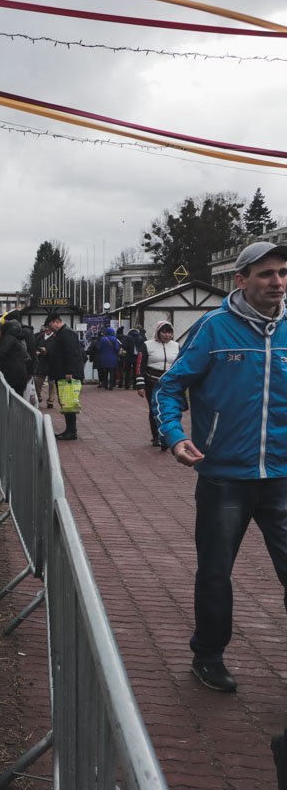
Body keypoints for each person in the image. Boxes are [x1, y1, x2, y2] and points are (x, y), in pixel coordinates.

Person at [155, 240, 287, 694]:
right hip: (224, 476)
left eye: (283, 273)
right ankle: (208, 655)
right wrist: (175, 436)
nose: (278, 282)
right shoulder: (213, 329)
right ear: (241, 279)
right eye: (267, 273)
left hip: (282, 477)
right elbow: (169, 389)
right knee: (215, 572)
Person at [134, 321, 180, 450]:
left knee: (169, 409)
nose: (167, 335)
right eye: (164, 332)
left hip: (170, 383)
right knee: (155, 409)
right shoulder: (147, 345)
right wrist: (140, 385)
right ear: (158, 333)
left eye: (169, 332)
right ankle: (156, 435)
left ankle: (166, 435)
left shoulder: (176, 346)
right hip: (152, 382)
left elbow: (180, 365)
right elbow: (139, 366)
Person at [42, 313, 85, 441]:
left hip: (68, 375)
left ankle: (71, 431)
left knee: (69, 402)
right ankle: (70, 430)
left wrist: (69, 371)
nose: (50, 329)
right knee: (66, 402)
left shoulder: (66, 333)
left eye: (50, 326)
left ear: (56, 322)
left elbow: (71, 353)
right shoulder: (62, 333)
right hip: (63, 373)